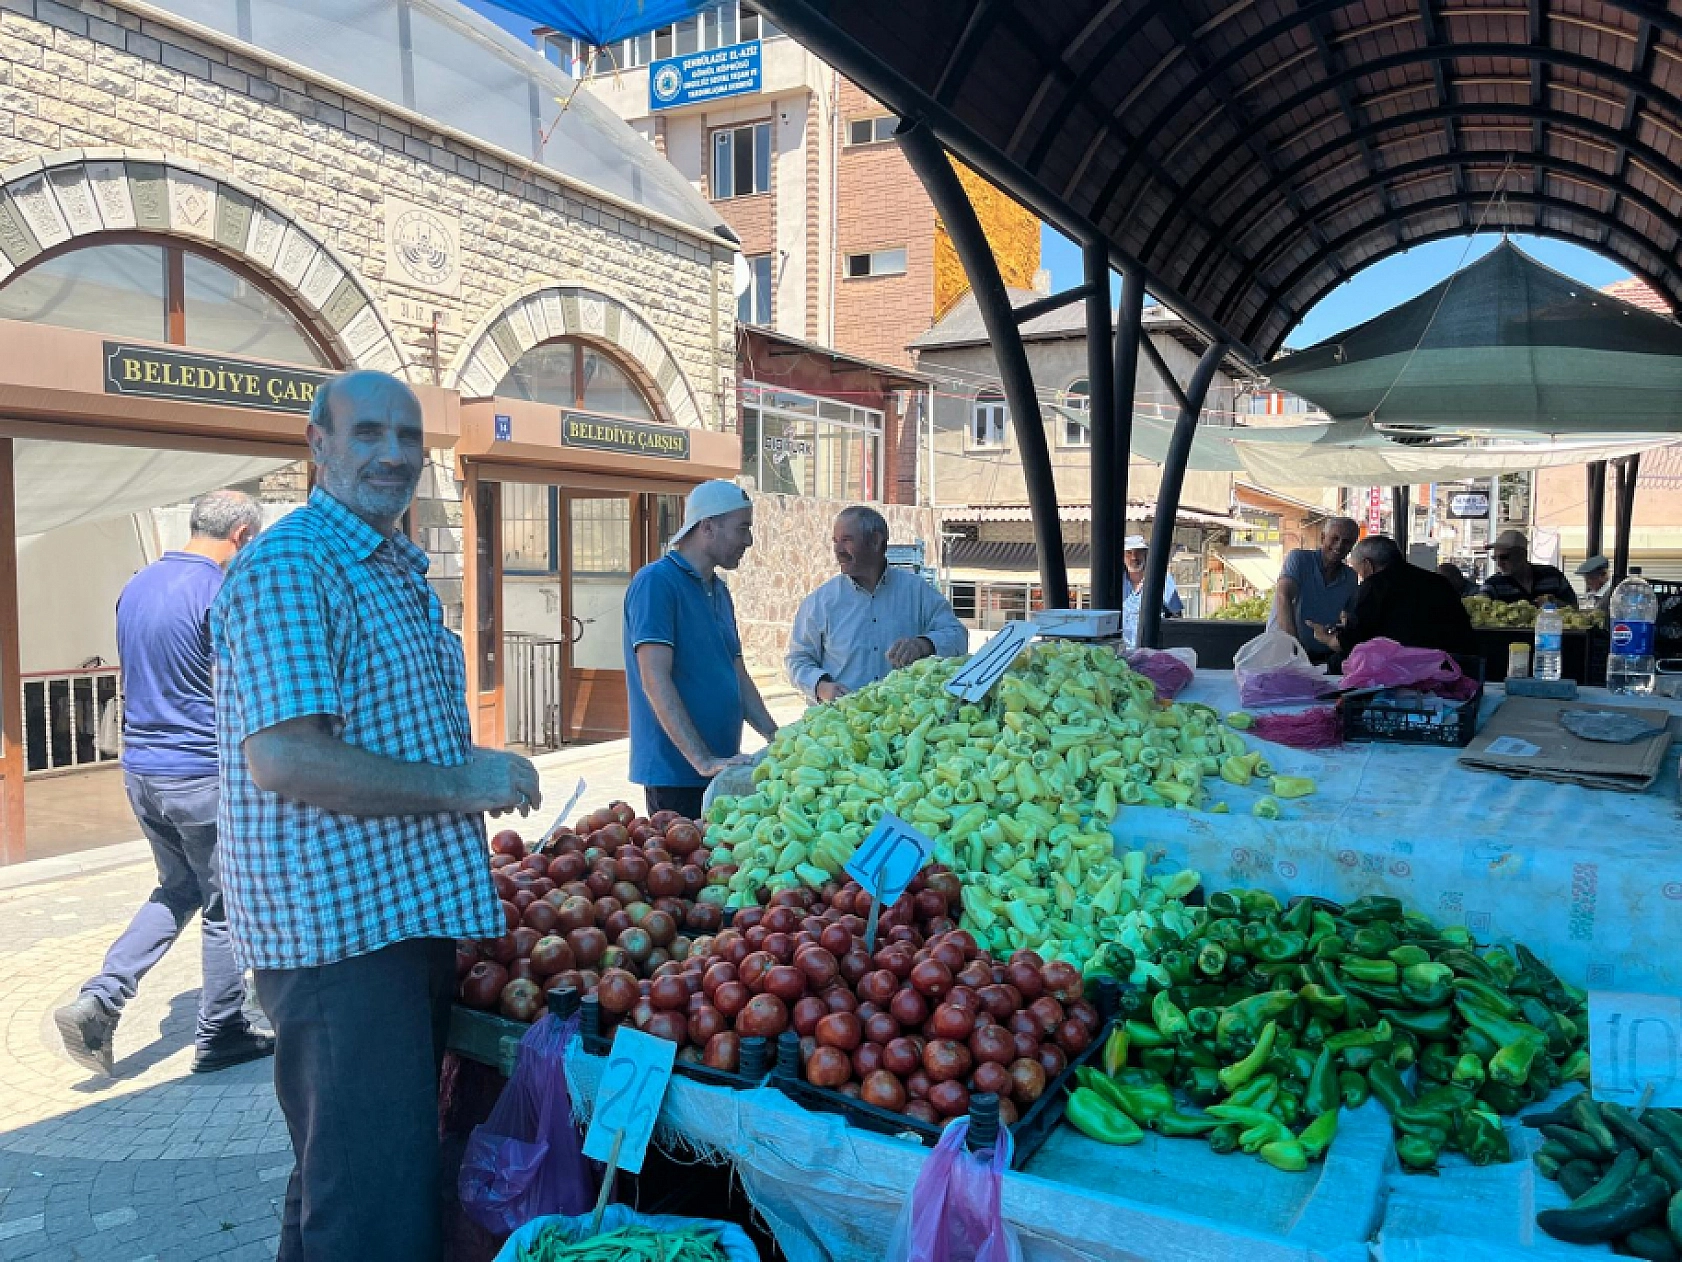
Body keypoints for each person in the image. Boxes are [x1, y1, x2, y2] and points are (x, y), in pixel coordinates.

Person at [210, 370, 542, 1262]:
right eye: (367, 434)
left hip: (397, 921)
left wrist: (469, 766)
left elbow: (387, 730)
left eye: (408, 437)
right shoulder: (293, 565)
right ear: (317, 445)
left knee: (345, 1177)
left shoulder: (389, 566)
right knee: (378, 1206)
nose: (393, 454)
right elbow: (288, 757)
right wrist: (463, 786)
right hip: (339, 940)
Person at [53, 490, 268, 1078]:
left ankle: (101, 997)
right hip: (199, 775)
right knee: (226, 906)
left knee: (178, 889)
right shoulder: (220, 593)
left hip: (143, 772)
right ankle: (221, 1031)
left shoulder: (138, 584)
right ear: (242, 535)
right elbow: (239, 691)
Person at [625, 479, 779, 820]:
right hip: (676, 774)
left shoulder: (719, 591)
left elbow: (737, 675)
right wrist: (702, 760)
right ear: (707, 527)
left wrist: (777, 738)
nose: (749, 541)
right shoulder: (656, 582)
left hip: (722, 767)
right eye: (742, 528)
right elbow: (654, 678)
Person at [785, 506, 968, 702]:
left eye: (847, 540)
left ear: (875, 541)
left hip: (903, 716)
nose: (838, 550)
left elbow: (958, 636)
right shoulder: (819, 603)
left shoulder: (917, 591)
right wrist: (821, 686)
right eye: (835, 541)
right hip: (841, 717)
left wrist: (924, 645)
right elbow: (798, 659)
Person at [1309, 535, 1476, 658]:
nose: (1360, 576)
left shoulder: (1374, 585)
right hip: (1453, 666)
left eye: (1358, 569)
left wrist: (1325, 638)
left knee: (1337, 661)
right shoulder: (1438, 581)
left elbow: (1351, 642)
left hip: (1405, 672)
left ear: (1367, 565)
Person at [1269, 517, 1360, 663]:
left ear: (1352, 546)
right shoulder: (1299, 559)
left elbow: (1349, 619)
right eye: (1335, 538)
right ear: (1323, 537)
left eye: (1347, 541)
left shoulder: (1350, 576)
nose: (1339, 545)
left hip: (1322, 658)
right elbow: (1283, 596)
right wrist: (1293, 647)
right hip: (1283, 653)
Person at [1479, 530, 1578, 607]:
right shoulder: (1493, 584)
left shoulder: (1552, 575)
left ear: (1522, 555)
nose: (1499, 563)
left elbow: (1574, 607)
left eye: (1504, 557)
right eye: (1494, 558)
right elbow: (1478, 606)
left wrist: (1554, 603)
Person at [1120, 533, 1183, 648]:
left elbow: (1176, 616)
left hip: (1153, 650)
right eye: (1129, 553)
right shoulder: (1117, 582)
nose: (1134, 557)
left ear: (1145, 554)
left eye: (1138, 552)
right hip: (1122, 650)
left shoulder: (1162, 579)